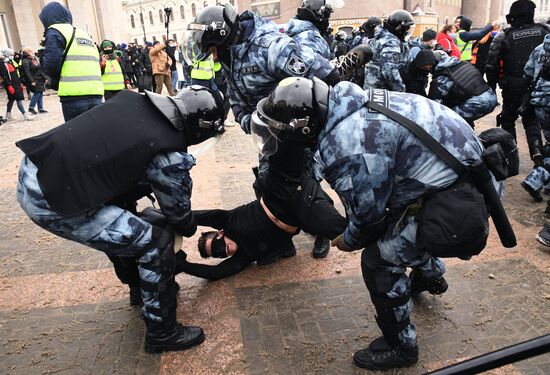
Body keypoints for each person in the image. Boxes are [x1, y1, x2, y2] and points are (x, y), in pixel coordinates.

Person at [251, 76, 507, 370]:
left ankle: (400, 346)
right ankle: (430, 274)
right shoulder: (348, 103)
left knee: (378, 260)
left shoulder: (347, 145)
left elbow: (369, 219)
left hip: (461, 200)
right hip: (462, 175)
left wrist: (346, 240)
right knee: (399, 228)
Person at [16, 85, 226, 354]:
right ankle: (162, 332)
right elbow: (176, 210)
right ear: (201, 127)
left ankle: (142, 289)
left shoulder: (137, 102)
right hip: (50, 198)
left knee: (128, 223)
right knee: (155, 244)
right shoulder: (168, 152)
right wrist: (189, 226)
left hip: (37, 166)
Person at [175, 170, 347, 280]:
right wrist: (182, 265)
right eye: (220, 255)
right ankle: (306, 236)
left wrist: (164, 219)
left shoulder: (225, 219)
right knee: (344, 233)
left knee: (269, 172)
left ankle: (318, 231)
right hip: (299, 215)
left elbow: (192, 216)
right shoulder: (243, 257)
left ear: (219, 233)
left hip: (286, 194)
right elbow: (214, 273)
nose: (225, 252)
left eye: (219, 247)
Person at [487, 0, 550, 162]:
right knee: (531, 120)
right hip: (537, 87)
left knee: (508, 120)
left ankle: (511, 156)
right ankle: (537, 153)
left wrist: (492, 86)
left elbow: (491, 64)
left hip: (513, 86)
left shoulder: (505, 35)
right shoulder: (545, 33)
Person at [39, 1, 103, 121]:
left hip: (74, 95)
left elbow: (51, 64)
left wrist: (52, 80)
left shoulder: (55, 31)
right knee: (94, 135)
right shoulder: (83, 33)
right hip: (96, 92)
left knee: (76, 136)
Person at [429, 51, 498, 127]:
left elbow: (434, 104)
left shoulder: (443, 76)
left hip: (478, 103)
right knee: (464, 119)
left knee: (448, 120)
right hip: (491, 97)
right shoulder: (463, 63)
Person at [519, 34, 550, 203]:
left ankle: (546, 185)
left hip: (540, 102)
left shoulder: (539, 48)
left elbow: (527, 73)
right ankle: (535, 180)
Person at [363, 10, 415, 91]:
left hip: (374, 87)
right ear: (399, 27)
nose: (407, 31)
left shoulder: (384, 36)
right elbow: (389, 70)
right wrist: (400, 89)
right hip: (383, 91)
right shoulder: (391, 42)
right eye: (406, 28)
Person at [0, 49, 33, 121]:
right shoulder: (2, 63)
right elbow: (4, 76)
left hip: (16, 83)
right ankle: (25, 115)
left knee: (11, 100)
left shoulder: (10, 62)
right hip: (11, 85)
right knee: (19, 99)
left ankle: (8, 115)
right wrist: (9, 85)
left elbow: (15, 74)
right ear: (6, 55)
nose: (12, 56)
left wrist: (20, 83)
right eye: (11, 55)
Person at [21, 47, 48, 115]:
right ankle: (31, 107)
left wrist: (44, 78)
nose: (32, 52)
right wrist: (32, 81)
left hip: (39, 79)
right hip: (34, 79)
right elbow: (27, 72)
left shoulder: (34, 59)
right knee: (37, 93)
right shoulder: (25, 61)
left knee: (40, 93)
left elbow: (39, 69)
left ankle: (40, 108)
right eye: (30, 51)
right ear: (27, 52)